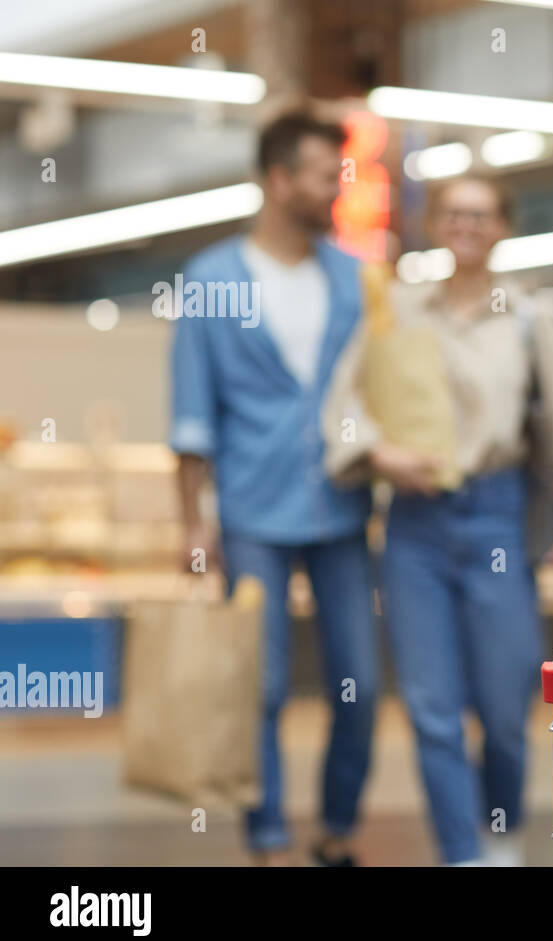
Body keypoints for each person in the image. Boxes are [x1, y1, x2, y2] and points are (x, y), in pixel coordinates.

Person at [321, 174, 553, 866]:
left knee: (506, 710)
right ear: (435, 224)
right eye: (454, 213)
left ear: (503, 224)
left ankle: (499, 834)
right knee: (430, 706)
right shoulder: (398, 310)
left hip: (497, 516)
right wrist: (379, 453)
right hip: (415, 523)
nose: (467, 225)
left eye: (482, 214)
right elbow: (342, 404)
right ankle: (460, 852)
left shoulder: (531, 317)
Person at [169, 111, 379, 866]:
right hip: (250, 512)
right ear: (281, 180)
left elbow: (378, 391)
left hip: (342, 508)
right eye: (327, 174)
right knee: (258, 685)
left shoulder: (356, 278)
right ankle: (266, 838)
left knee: (358, 678)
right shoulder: (211, 281)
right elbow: (192, 414)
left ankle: (338, 826)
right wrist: (192, 526)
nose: (338, 187)